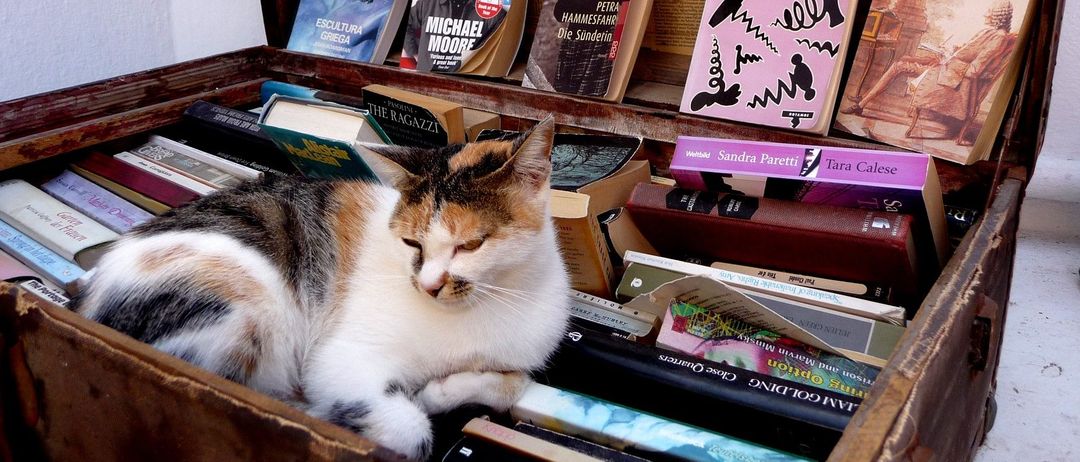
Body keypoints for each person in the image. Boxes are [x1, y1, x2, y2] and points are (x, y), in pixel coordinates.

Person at [843, 0, 1015, 142]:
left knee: (898, 66)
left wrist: (951, 61)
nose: (986, 14)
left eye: (990, 12)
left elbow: (975, 69)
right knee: (903, 60)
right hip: (945, 67)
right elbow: (969, 54)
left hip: (948, 75)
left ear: (998, 16)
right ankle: (861, 103)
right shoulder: (991, 32)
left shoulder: (998, 37)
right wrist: (953, 51)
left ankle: (860, 105)